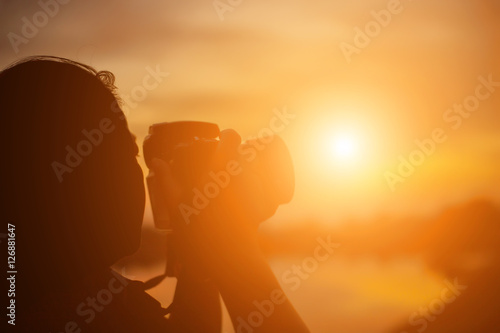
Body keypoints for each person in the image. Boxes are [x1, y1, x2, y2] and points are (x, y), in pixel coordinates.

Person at [0, 56, 310, 333]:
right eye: (127, 152)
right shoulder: (73, 314)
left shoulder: (54, 289)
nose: (140, 172)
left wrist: (195, 258)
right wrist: (236, 254)